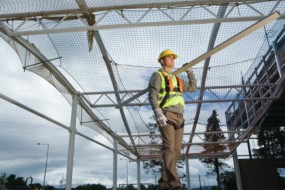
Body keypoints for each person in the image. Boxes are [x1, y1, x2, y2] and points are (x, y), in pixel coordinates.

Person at [148, 49, 197, 190]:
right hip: (166, 115)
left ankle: (163, 184)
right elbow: (152, 93)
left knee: (176, 151)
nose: (173, 60)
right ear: (162, 60)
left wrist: (190, 72)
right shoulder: (158, 75)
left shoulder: (177, 78)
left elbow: (193, 87)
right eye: (170, 57)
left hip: (180, 118)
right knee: (169, 148)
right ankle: (175, 184)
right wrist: (157, 111)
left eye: (173, 58)